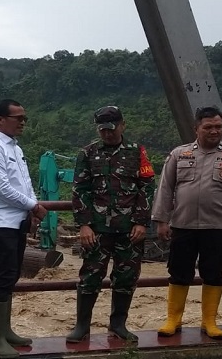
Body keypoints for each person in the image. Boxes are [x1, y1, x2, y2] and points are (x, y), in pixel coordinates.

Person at [151, 106, 222, 340]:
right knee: (179, 271)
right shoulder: (179, 154)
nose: (214, 131)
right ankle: (173, 320)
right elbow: (165, 188)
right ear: (196, 128)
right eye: (208, 127)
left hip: (218, 227)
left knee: (213, 273)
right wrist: (161, 220)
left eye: (218, 127)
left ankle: (209, 321)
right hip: (183, 225)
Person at [67, 106, 156, 344]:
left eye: (111, 128)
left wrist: (141, 221)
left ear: (122, 125)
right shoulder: (87, 153)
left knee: (126, 278)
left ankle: (118, 325)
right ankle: (82, 326)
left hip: (129, 230)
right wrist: (84, 225)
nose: (107, 133)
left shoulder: (137, 152)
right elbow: (80, 190)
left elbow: (147, 186)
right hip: (97, 231)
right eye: (102, 129)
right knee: (90, 278)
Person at [0, 99, 48, 359]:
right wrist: (35, 206)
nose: (22, 122)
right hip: (0, 221)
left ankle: (5, 331)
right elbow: (1, 189)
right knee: (4, 276)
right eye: (18, 117)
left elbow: (24, 183)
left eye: (23, 117)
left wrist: (30, 209)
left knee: (13, 275)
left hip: (16, 220)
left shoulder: (14, 148)